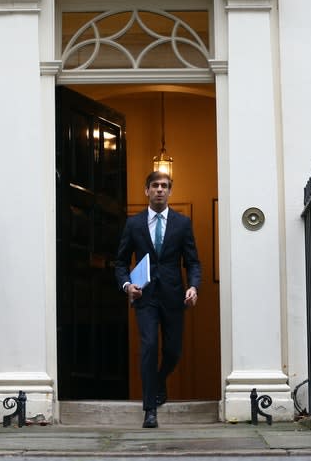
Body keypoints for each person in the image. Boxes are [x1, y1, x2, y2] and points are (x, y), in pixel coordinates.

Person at [115, 171, 201, 428]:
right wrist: (127, 285)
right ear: (147, 190)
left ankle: (160, 380)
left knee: (173, 351)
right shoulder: (134, 224)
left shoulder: (182, 224)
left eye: (164, 186)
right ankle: (150, 408)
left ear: (170, 191)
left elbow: (193, 262)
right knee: (150, 346)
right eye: (155, 186)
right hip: (146, 298)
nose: (160, 190)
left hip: (175, 297)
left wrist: (194, 287)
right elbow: (120, 262)